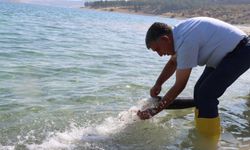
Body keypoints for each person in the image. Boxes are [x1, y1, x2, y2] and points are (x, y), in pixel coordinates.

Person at [137, 17, 250, 137]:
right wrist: (158, 83)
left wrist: (154, 111)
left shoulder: (185, 42)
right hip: (227, 53)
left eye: (158, 49)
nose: (160, 55)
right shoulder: (177, 34)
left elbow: (180, 85)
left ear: (165, 39)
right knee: (199, 92)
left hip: (241, 52)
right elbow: (173, 62)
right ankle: (201, 131)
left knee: (206, 95)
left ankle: (208, 139)